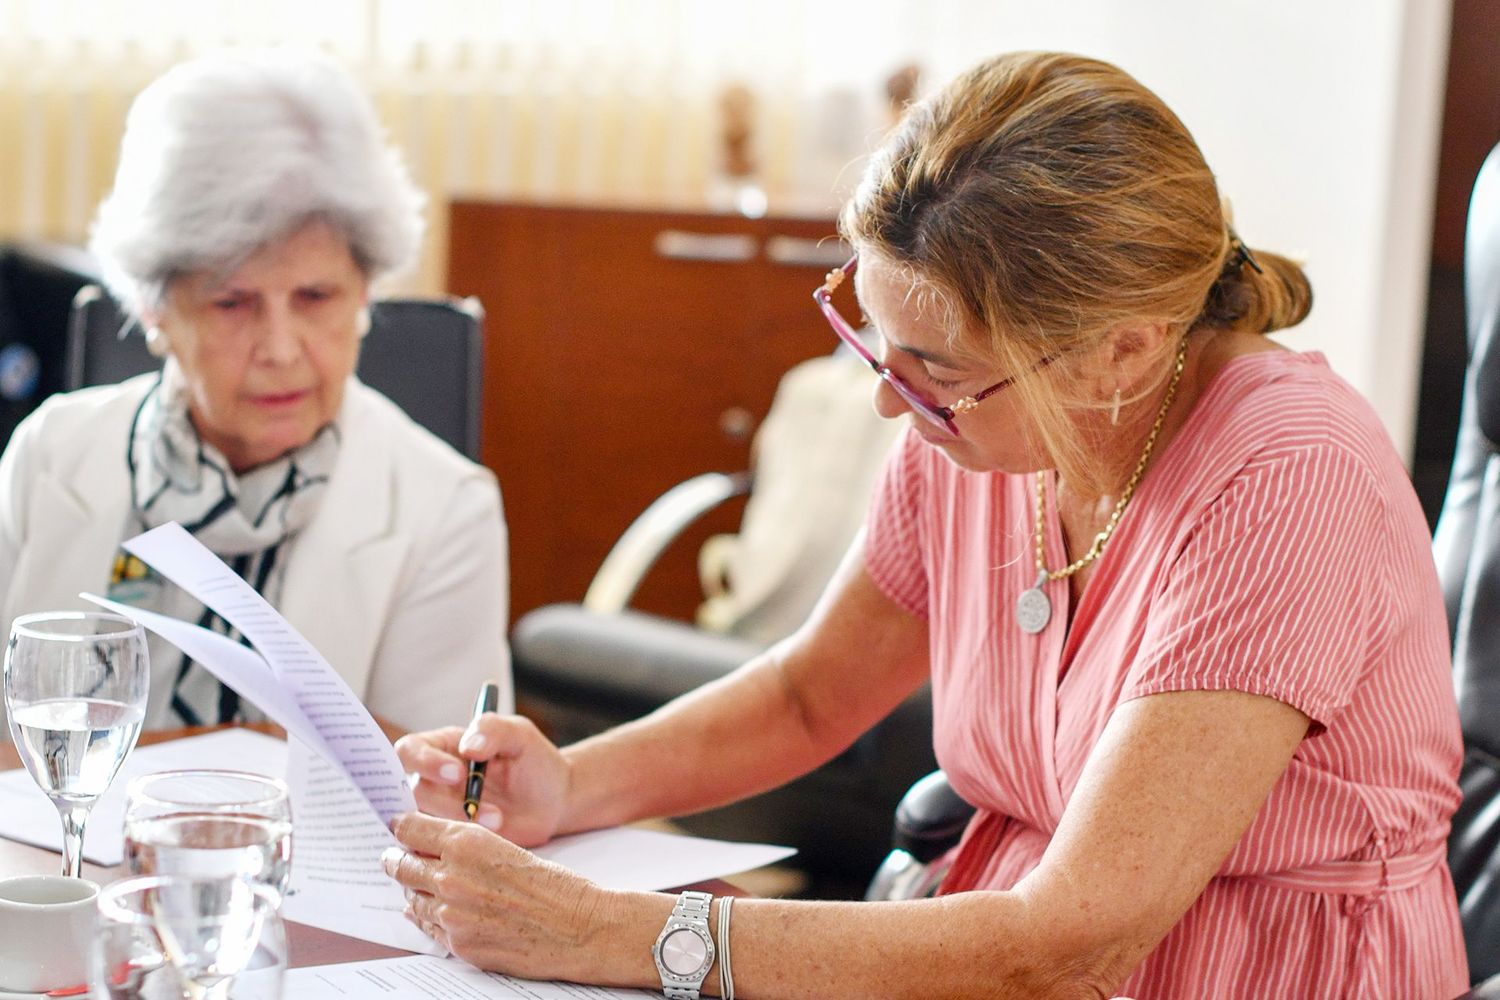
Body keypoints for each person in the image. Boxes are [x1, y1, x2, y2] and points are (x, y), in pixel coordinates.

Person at [385, 51, 1466, 998]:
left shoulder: (1288, 480)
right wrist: (573, 786)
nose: (888, 403)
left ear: (1124, 352)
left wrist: (612, 933)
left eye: (934, 371)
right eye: (872, 341)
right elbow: (811, 696)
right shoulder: (983, 421)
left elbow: (1070, 941)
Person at [0, 49, 511, 735]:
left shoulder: (446, 511)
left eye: (316, 296)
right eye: (233, 303)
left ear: (364, 293)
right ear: (155, 309)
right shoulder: (49, 454)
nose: (280, 347)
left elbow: (443, 795)